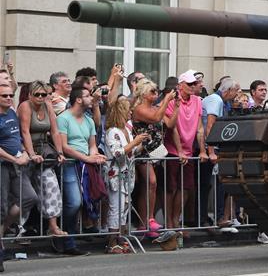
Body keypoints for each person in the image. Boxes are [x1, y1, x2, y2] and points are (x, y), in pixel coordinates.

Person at [56, 85, 106, 255]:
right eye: (87, 95)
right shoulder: (63, 118)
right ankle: (63, 235)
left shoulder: (89, 120)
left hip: (85, 164)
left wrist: (95, 156)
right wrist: (87, 158)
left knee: (85, 201)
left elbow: (92, 145)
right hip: (70, 164)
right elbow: (64, 146)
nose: (91, 98)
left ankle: (68, 240)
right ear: (78, 99)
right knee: (74, 202)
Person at [17, 80, 66, 236]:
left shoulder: (47, 106)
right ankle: (19, 229)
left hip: (44, 151)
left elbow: (55, 131)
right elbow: (24, 132)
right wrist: (31, 154)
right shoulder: (25, 106)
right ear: (30, 95)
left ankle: (53, 226)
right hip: (25, 150)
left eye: (43, 94)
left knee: (51, 186)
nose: (40, 97)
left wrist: (59, 152)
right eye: (36, 94)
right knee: (26, 194)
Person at [131, 78, 178, 235]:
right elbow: (156, 118)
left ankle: (145, 223)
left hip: (156, 152)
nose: (156, 94)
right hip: (143, 151)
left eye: (157, 91)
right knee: (151, 182)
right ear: (144, 94)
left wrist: (176, 106)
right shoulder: (138, 109)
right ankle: (149, 219)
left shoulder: (156, 107)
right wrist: (166, 100)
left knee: (149, 187)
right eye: (152, 91)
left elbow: (170, 124)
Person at [0, 82, 40, 259]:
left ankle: (2, 231)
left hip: (17, 163)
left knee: (30, 197)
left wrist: (24, 152)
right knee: (2, 207)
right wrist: (14, 158)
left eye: (10, 95)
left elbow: (18, 137)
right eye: (5, 96)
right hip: (3, 165)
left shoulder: (11, 112)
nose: (9, 98)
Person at [163, 71, 206, 231]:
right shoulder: (172, 100)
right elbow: (172, 127)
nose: (193, 86)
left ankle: (176, 218)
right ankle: (169, 221)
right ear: (180, 85)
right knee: (171, 187)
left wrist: (202, 150)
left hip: (188, 149)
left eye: (194, 83)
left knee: (186, 187)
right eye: (189, 84)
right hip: (172, 150)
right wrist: (179, 151)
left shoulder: (197, 100)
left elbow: (200, 128)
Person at [104, 97, 147, 253]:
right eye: (128, 109)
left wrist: (141, 144)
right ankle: (111, 242)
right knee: (116, 207)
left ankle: (121, 239)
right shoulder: (112, 132)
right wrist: (134, 143)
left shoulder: (127, 130)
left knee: (125, 207)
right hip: (115, 174)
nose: (131, 111)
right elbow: (118, 152)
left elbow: (132, 151)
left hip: (128, 174)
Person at [201, 77, 241, 232]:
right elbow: (209, 125)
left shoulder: (223, 102)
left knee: (221, 183)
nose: (237, 94)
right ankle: (218, 218)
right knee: (215, 184)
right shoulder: (216, 100)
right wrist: (210, 150)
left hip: (217, 147)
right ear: (228, 90)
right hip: (212, 147)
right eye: (235, 91)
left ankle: (223, 217)